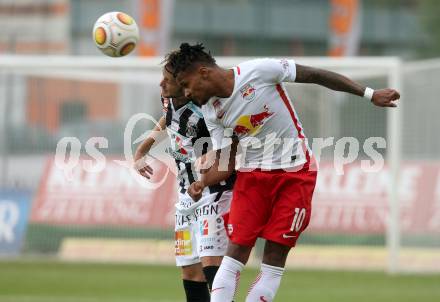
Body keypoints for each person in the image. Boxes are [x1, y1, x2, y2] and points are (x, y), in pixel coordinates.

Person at [164, 43, 400, 302]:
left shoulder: (260, 71)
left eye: (186, 84)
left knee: (274, 260)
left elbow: (316, 75)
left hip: (296, 176)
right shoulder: (212, 111)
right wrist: (202, 182)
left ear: (204, 72)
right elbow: (226, 161)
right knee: (234, 255)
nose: (186, 92)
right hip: (253, 178)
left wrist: (369, 94)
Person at [134, 60, 235, 302]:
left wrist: (206, 168)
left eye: (166, 81)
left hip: (212, 191)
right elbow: (166, 118)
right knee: (190, 271)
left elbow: (226, 149)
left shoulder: (203, 113)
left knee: (211, 265)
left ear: (182, 85)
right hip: (185, 195)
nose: (161, 84)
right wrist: (143, 149)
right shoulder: (168, 99)